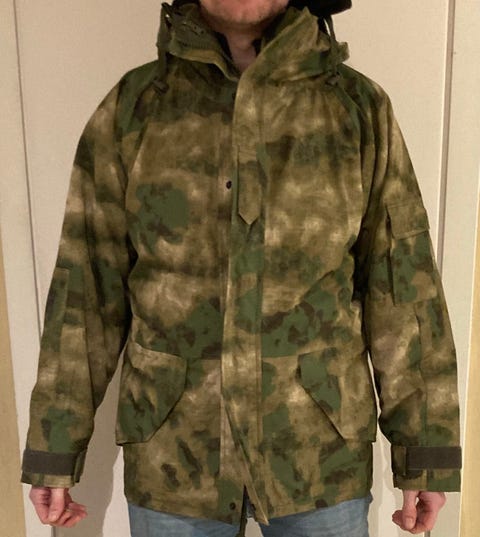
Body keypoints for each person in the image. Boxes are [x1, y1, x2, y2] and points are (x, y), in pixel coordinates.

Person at [21, 0, 462, 536]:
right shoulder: (135, 109)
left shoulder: (356, 109)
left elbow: (403, 287)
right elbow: (85, 292)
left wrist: (425, 453)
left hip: (319, 458)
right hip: (175, 460)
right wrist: (54, 446)